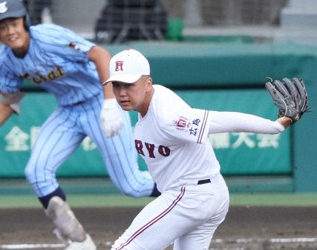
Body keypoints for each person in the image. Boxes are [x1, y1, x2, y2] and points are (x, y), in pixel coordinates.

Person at [0, 0, 160, 250]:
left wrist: (110, 101)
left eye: (14, 23)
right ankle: (79, 241)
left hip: (98, 101)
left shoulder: (48, 37)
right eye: (2, 27)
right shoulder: (4, 61)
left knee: (132, 185)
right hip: (68, 109)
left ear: (24, 22)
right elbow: (8, 102)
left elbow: (100, 54)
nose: (10, 31)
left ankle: (184, 186)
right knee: (36, 173)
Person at [103, 48, 295, 250]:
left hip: (190, 195)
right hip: (209, 194)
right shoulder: (153, 101)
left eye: (129, 85)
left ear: (147, 83)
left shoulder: (167, 116)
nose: (122, 93)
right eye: (117, 85)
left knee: (125, 247)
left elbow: (222, 120)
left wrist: (275, 126)